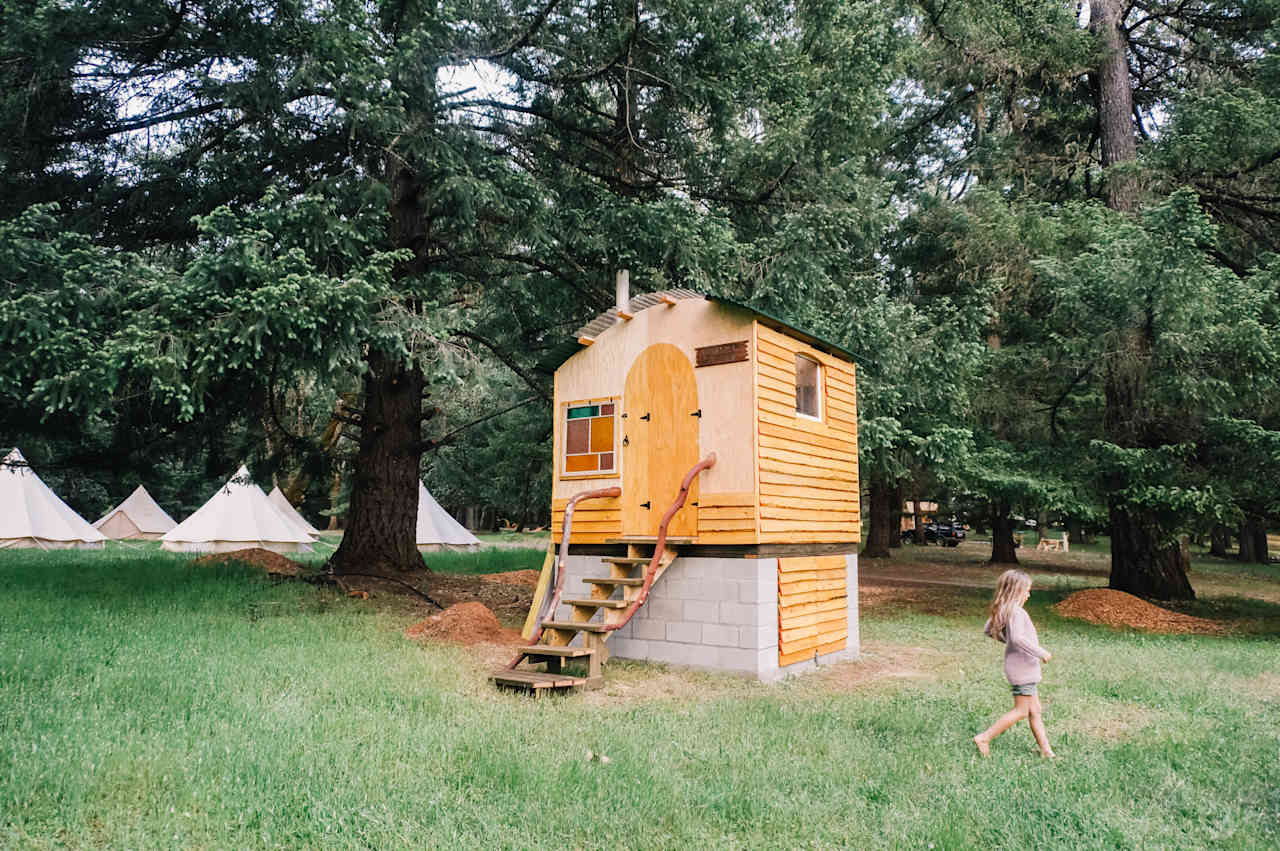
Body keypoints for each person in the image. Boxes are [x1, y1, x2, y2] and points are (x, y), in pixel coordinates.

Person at [973, 569, 1055, 758]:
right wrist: (1040, 652)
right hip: (1023, 669)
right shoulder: (1016, 612)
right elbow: (1017, 638)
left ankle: (1046, 750)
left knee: (1035, 710)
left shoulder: (1004, 609)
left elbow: (988, 630)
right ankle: (984, 737)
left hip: (1019, 667)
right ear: (1016, 591)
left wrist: (1008, 641)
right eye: (1026, 590)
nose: (1029, 594)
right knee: (1021, 711)